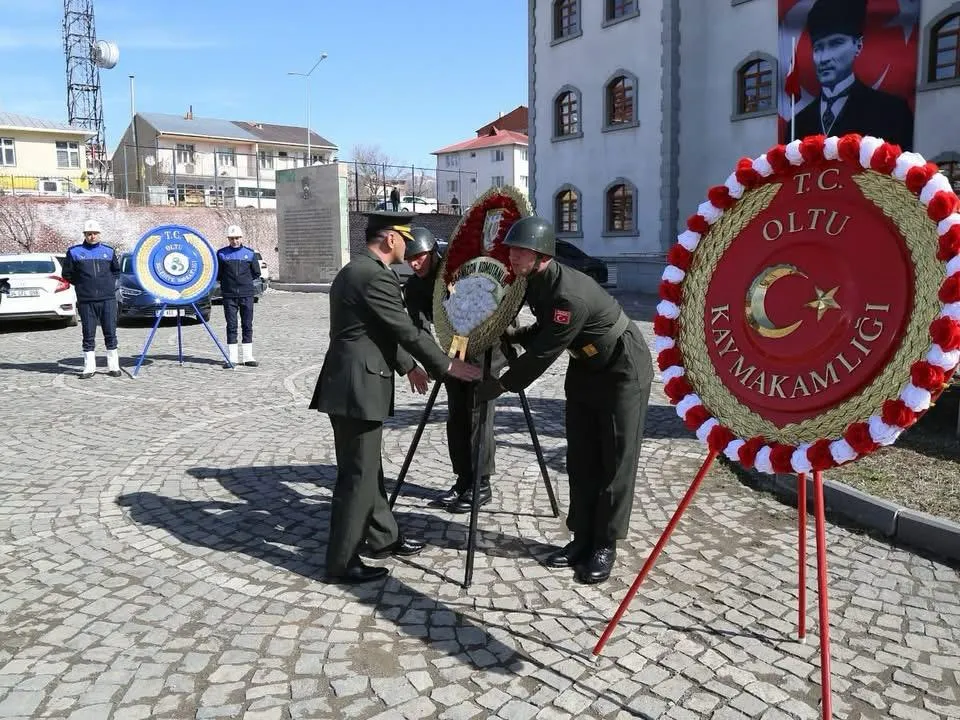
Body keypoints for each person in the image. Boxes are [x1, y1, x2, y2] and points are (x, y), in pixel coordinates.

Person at [477, 216, 653, 585]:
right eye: (511, 249)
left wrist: (503, 384)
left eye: (520, 251)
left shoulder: (568, 295)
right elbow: (544, 329)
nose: (512, 256)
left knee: (615, 461)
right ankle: (581, 537)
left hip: (622, 369)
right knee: (581, 457)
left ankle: (604, 544)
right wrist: (514, 334)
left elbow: (545, 351)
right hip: (585, 366)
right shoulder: (533, 281)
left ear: (541, 255)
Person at [309, 211, 482, 584]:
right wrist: (446, 365)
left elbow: (376, 328)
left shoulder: (357, 270)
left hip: (350, 383)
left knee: (368, 468)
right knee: (357, 476)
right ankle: (341, 562)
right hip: (357, 388)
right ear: (390, 239)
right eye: (406, 238)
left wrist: (407, 366)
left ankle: (383, 537)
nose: (409, 245)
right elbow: (404, 329)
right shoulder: (375, 276)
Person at [403, 225, 499, 513]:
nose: (414, 264)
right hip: (454, 349)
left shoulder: (458, 270)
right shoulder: (415, 287)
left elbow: (487, 302)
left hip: (485, 345)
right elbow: (419, 330)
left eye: (419, 257)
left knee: (478, 415)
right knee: (457, 417)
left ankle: (481, 483)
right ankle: (464, 478)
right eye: (409, 259)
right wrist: (437, 364)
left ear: (434, 252)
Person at [793, 0, 913, 150]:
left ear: (858, 45)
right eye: (818, 48)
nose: (824, 58)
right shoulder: (798, 124)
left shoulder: (891, 111)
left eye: (835, 43)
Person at [62, 219, 122, 379]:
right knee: (88, 334)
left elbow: (116, 271)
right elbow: (67, 274)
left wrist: (108, 284)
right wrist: (82, 284)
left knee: (110, 333)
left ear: (99, 234)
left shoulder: (109, 251)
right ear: (84, 235)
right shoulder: (74, 252)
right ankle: (89, 368)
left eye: (95, 233)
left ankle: (114, 366)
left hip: (107, 299)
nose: (92, 236)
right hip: (86, 300)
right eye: (89, 234)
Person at [216, 225, 261, 368]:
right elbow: (218, 274)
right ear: (228, 239)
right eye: (231, 238)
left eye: (237, 238)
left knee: (247, 324)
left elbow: (256, 272)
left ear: (241, 238)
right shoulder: (221, 254)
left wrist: (244, 282)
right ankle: (232, 358)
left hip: (246, 294)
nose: (234, 241)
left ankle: (248, 357)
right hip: (229, 295)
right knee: (231, 325)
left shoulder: (250, 253)